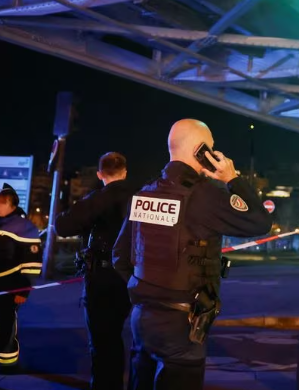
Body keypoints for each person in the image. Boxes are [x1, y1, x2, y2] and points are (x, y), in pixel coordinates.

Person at [113, 119, 272, 390]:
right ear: (202, 151)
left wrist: (148, 290)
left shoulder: (145, 193)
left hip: (142, 317)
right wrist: (232, 178)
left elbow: (120, 255)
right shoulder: (204, 195)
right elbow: (259, 221)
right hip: (182, 322)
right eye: (210, 149)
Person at [55, 152, 135, 390]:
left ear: (100, 174)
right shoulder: (141, 198)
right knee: (126, 337)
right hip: (134, 277)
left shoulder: (98, 199)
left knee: (102, 339)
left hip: (102, 279)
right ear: (125, 172)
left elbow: (62, 225)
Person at [0, 184, 42, 373]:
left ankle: (7, 366)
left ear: (12, 205)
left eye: (1, 203)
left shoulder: (24, 227)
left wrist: (23, 289)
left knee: (5, 326)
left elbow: (32, 262)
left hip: (8, 285)